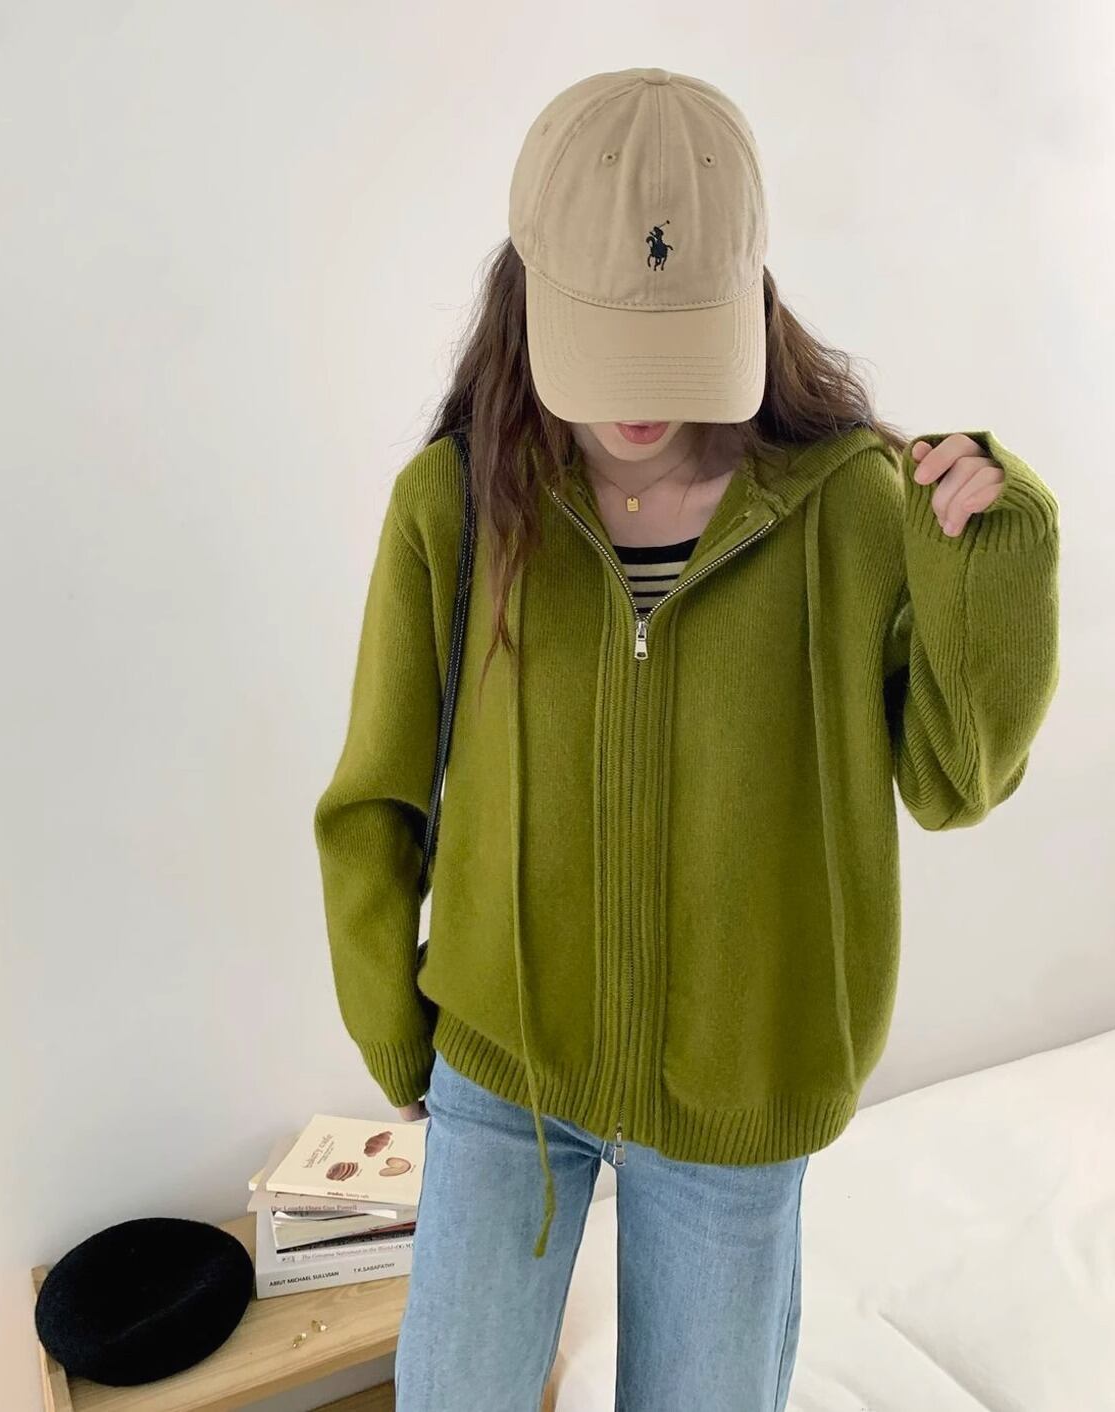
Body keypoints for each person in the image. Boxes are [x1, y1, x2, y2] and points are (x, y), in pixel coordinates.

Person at [313, 66, 1060, 1411]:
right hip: (501, 1071)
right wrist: (396, 1031)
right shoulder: (462, 503)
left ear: (751, 300)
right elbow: (377, 794)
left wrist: (991, 562)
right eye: (611, 345)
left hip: (739, 1097)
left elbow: (957, 781)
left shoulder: (849, 509)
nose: (640, 404)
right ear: (529, 293)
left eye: (677, 344)